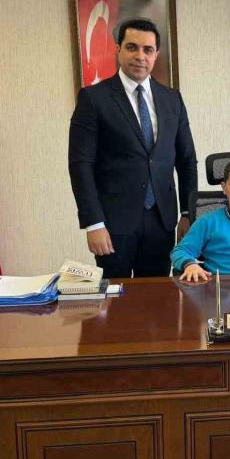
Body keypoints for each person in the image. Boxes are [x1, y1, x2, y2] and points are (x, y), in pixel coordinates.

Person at [69, 18, 197, 278]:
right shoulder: (93, 98)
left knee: (156, 296)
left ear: (156, 54)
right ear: (118, 49)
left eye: (148, 50)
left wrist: (188, 212)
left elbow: (186, 160)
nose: (140, 56)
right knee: (114, 297)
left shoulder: (172, 99)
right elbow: (81, 165)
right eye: (132, 47)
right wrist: (93, 223)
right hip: (113, 223)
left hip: (162, 220)